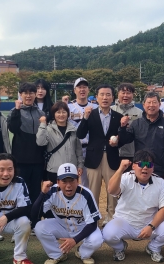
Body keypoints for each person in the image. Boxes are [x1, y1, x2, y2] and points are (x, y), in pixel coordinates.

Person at [102, 150, 164, 263]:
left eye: (149, 165)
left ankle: (153, 248)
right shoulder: (125, 177)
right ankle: (120, 248)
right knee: (108, 233)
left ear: (153, 167)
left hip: (148, 224)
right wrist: (120, 169)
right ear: (134, 166)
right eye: (141, 164)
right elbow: (111, 190)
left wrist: (151, 226)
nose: (145, 168)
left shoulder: (160, 182)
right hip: (125, 223)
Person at [32, 164, 103, 264]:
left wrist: (75, 240)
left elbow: (93, 224)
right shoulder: (51, 191)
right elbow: (35, 215)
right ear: (58, 182)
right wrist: (42, 194)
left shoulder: (86, 194)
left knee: (97, 239)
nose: (68, 185)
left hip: (83, 227)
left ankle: (82, 253)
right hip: (62, 227)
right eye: (64, 181)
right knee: (39, 227)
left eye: (72, 181)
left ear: (77, 181)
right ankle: (57, 255)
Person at [76, 84, 122, 221]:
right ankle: (92, 218)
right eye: (102, 95)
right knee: (93, 191)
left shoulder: (118, 117)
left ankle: (111, 218)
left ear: (113, 98)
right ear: (96, 97)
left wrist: (119, 138)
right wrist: (84, 118)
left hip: (112, 157)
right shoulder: (91, 114)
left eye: (108, 95)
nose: (105, 97)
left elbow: (124, 138)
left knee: (112, 191)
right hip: (93, 158)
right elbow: (80, 134)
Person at [118, 91, 164, 179]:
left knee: (160, 191)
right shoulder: (136, 123)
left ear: (159, 104)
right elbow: (125, 140)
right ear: (143, 105)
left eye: (154, 102)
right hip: (142, 166)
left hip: (160, 167)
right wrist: (122, 128)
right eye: (149, 102)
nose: (151, 105)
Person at [6, 83, 45, 202]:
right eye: (25, 93)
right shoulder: (14, 111)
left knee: (36, 192)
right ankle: (21, 217)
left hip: (37, 160)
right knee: (21, 191)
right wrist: (17, 110)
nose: (28, 96)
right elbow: (13, 128)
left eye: (31, 93)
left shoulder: (40, 113)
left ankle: (34, 219)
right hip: (21, 160)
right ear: (20, 95)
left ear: (35, 95)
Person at [37, 101, 84, 183]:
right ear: (53, 114)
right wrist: (43, 124)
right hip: (54, 169)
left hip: (71, 169)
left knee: (69, 192)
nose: (61, 115)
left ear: (68, 114)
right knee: (54, 193)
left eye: (64, 112)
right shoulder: (48, 129)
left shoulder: (73, 130)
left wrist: (80, 165)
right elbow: (40, 142)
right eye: (58, 112)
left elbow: (78, 150)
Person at [68, 77, 97, 187]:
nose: (82, 89)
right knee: (70, 179)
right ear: (74, 90)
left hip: (90, 148)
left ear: (88, 90)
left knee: (87, 182)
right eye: (79, 87)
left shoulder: (95, 107)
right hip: (73, 148)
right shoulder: (68, 107)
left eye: (84, 87)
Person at [112, 83, 143, 162]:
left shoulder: (140, 113)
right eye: (123, 93)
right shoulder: (110, 110)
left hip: (133, 153)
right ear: (118, 94)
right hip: (113, 152)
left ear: (133, 95)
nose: (125, 95)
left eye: (128, 93)